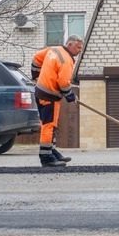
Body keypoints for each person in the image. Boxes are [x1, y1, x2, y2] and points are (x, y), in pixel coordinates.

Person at [31, 35, 84, 167]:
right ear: (70, 44)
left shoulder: (53, 50)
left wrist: (36, 76)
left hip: (40, 92)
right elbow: (63, 83)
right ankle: (46, 157)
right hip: (49, 96)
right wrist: (71, 97)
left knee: (48, 124)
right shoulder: (66, 60)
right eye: (78, 47)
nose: (80, 50)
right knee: (49, 125)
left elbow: (36, 58)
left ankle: (51, 150)